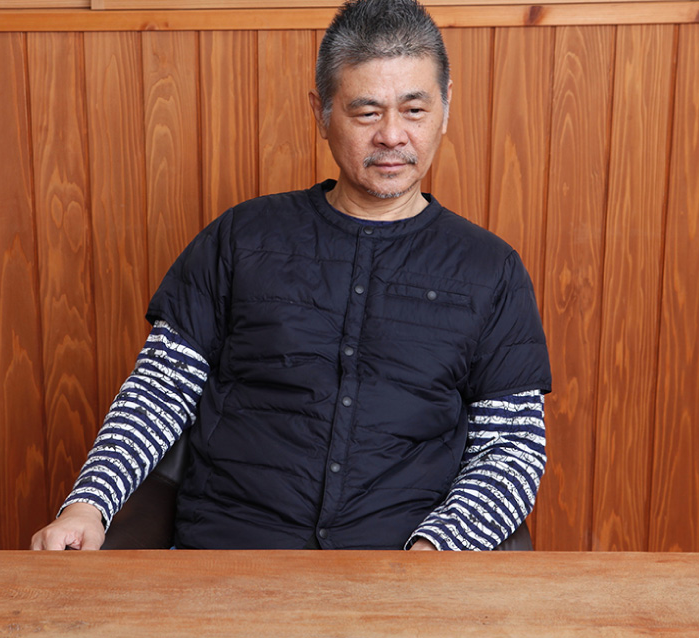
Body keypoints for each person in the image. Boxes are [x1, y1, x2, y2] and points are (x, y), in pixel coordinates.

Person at [31, 0, 551, 552]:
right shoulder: (242, 238)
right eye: (367, 112)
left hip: (399, 567)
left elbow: (512, 447)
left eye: (414, 110)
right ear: (321, 113)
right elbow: (160, 390)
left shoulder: (490, 269)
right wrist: (87, 505)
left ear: (445, 108)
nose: (392, 135)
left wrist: (433, 552)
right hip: (226, 557)